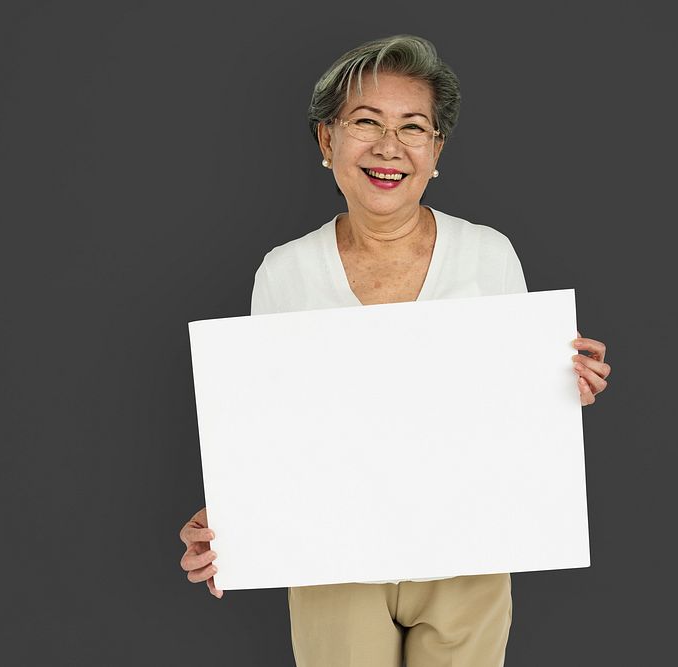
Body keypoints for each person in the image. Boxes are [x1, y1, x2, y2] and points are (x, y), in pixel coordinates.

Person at [178, 34, 611, 667]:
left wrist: (562, 384)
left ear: (436, 151)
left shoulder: (489, 255)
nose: (389, 147)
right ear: (328, 142)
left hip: (470, 551)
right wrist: (233, 516)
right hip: (333, 558)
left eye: (413, 128)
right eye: (365, 123)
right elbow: (273, 429)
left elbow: (515, 416)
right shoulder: (285, 271)